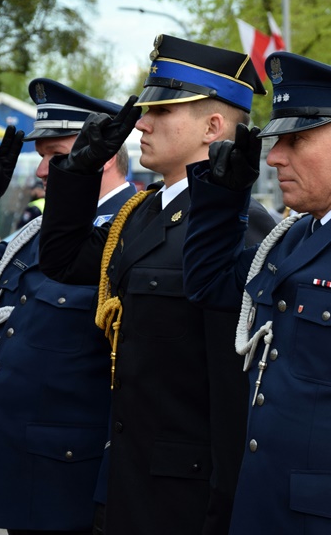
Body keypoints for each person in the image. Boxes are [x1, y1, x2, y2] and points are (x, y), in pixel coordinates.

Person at [38, 35, 276, 535]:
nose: (141, 123)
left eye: (161, 111)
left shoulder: (243, 226)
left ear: (214, 127)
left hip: (186, 493)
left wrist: (223, 507)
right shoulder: (140, 213)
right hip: (126, 473)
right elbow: (61, 260)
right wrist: (78, 170)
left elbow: (233, 389)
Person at [183, 52, 331, 534]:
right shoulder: (293, 236)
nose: (274, 157)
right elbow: (208, 285)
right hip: (266, 508)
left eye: (296, 141)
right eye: (277, 142)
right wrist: (223, 193)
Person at [0, 78, 137, 535]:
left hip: (75, 470)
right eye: (42, 156)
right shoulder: (40, 230)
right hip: (22, 460)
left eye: (56, 155)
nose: (43, 170)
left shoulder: (131, 226)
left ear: (103, 153)